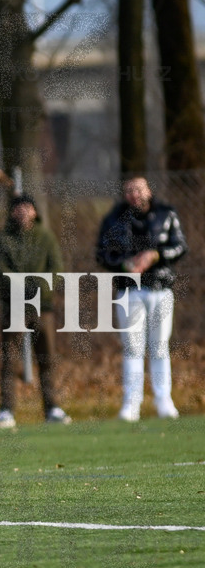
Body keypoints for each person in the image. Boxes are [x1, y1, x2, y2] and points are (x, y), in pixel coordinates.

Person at [95, 176, 188, 421]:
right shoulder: (114, 219)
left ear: (148, 190)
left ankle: (163, 400)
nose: (134, 194)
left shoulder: (166, 214)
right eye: (129, 190)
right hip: (130, 290)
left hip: (160, 288)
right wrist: (123, 264)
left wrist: (155, 256)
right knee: (133, 348)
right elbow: (103, 253)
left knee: (159, 347)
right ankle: (131, 404)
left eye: (138, 189)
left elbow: (180, 246)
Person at [0, 194, 70, 427]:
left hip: (42, 307)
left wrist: (37, 286)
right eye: (18, 208)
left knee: (47, 358)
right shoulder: (2, 239)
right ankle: (6, 410)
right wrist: (21, 285)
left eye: (27, 208)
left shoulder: (46, 237)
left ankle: (52, 408)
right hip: (13, 306)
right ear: (12, 212)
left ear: (34, 212)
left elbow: (56, 270)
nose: (23, 212)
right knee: (9, 358)